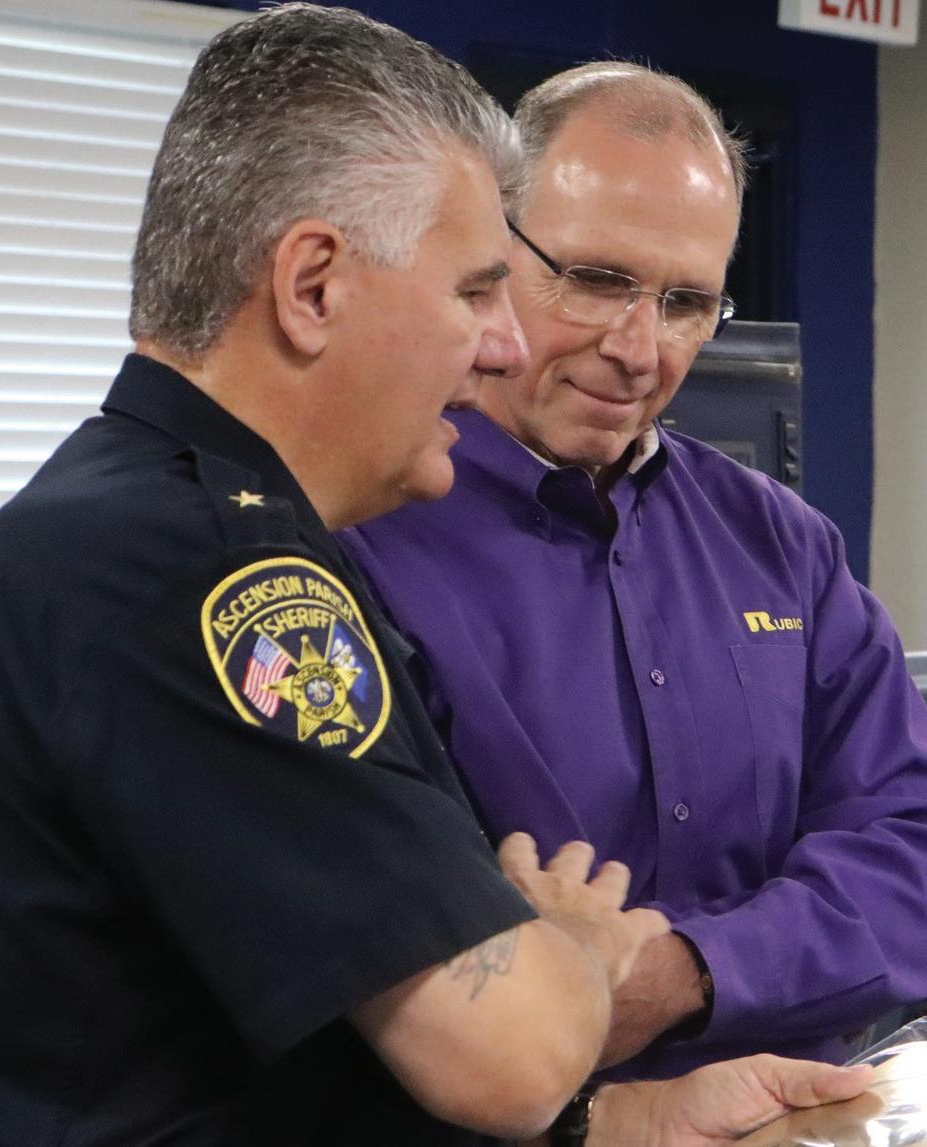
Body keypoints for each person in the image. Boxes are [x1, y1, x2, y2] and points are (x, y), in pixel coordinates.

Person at [0, 10, 874, 1144]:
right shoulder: (205, 572)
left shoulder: (133, 518)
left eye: (684, 302)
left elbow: (310, 1034)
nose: (501, 345)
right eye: (475, 291)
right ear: (314, 287)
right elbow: (508, 1056)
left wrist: (632, 1115)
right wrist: (577, 942)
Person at [342, 59, 927, 1087]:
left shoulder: (783, 546)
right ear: (489, 252)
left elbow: (911, 848)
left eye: (686, 301)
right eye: (596, 279)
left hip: (801, 1113)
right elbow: (389, 937)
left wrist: (686, 973)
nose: (639, 348)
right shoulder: (361, 537)